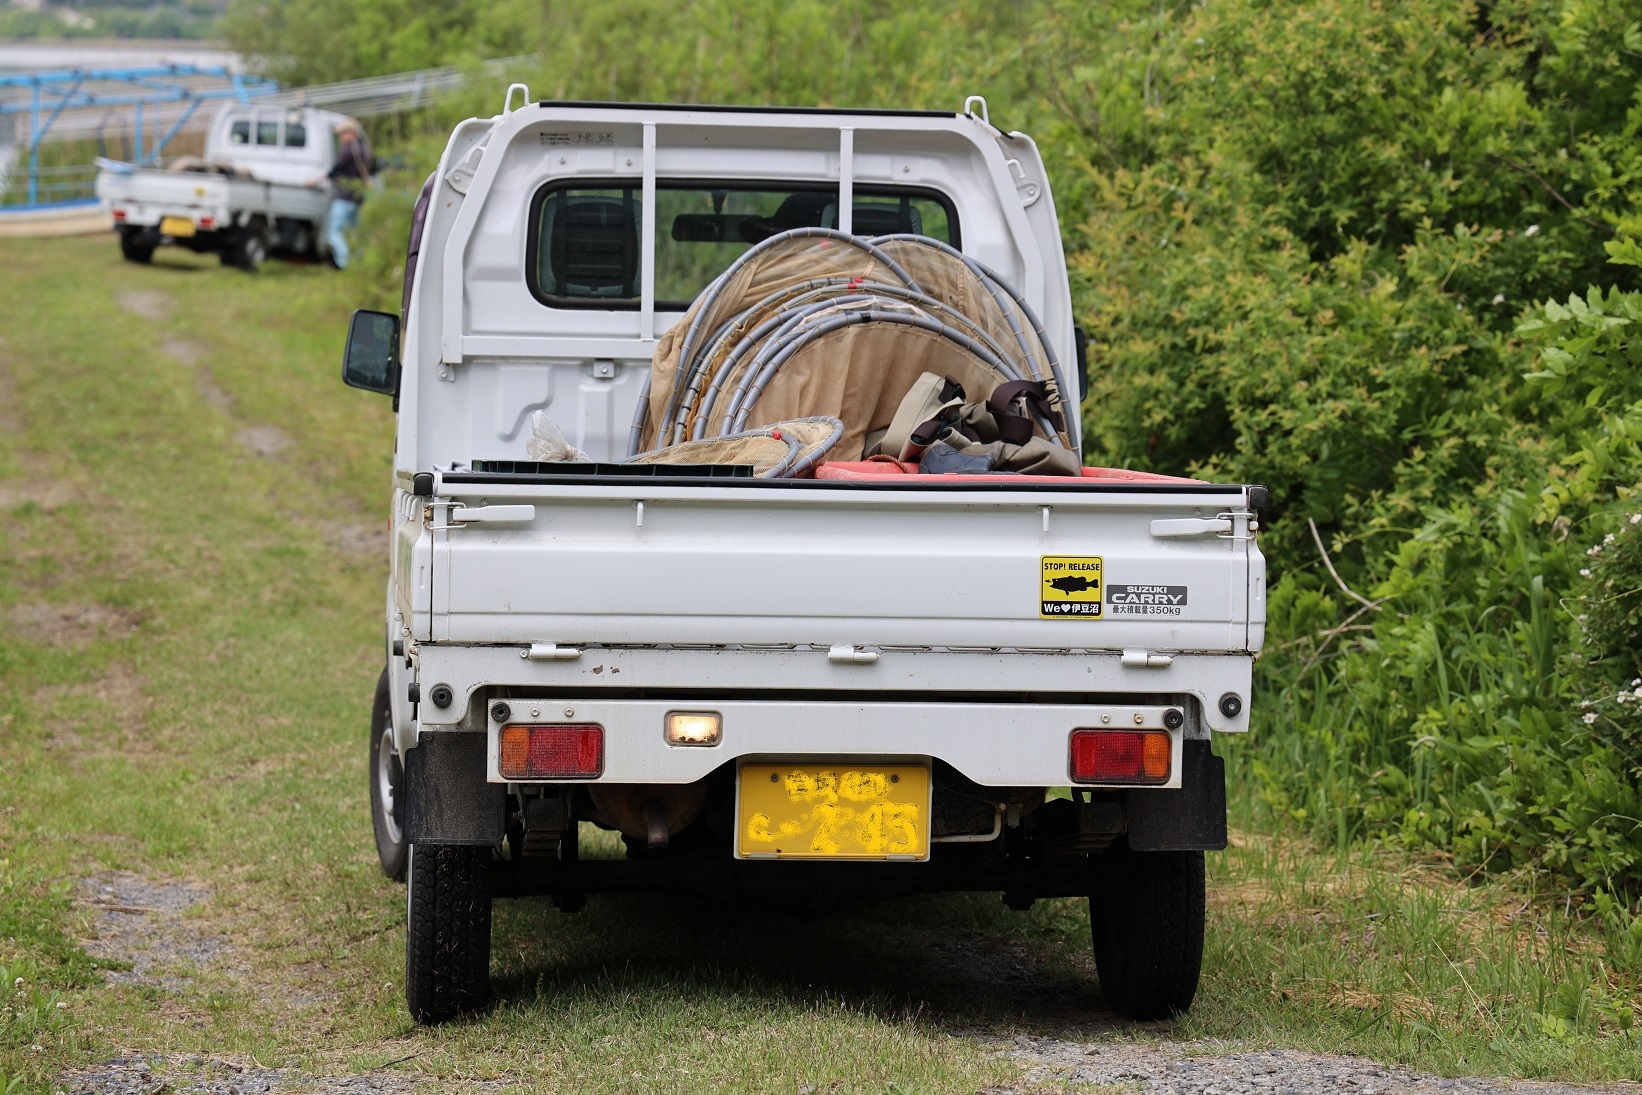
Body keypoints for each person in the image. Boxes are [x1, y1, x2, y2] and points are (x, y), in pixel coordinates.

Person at [313, 120, 371, 269]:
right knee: (353, 233)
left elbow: (336, 169)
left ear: (351, 133)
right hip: (358, 198)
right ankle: (358, 265)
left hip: (344, 197)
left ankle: (345, 263)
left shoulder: (347, 150)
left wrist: (319, 179)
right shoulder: (364, 150)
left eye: (342, 134)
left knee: (334, 232)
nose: (340, 138)